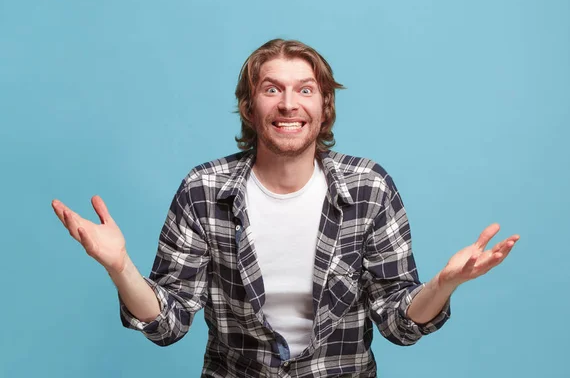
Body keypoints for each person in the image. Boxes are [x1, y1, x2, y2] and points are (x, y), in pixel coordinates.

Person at [51, 39, 520, 377]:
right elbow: (168, 323)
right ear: (249, 107)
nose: (288, 104)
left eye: (305, 90)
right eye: (271, 89)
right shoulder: (203, 189)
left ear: (325, 106)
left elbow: (399, 322)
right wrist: (119, 268)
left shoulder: (369, 187)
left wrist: (443, 284)